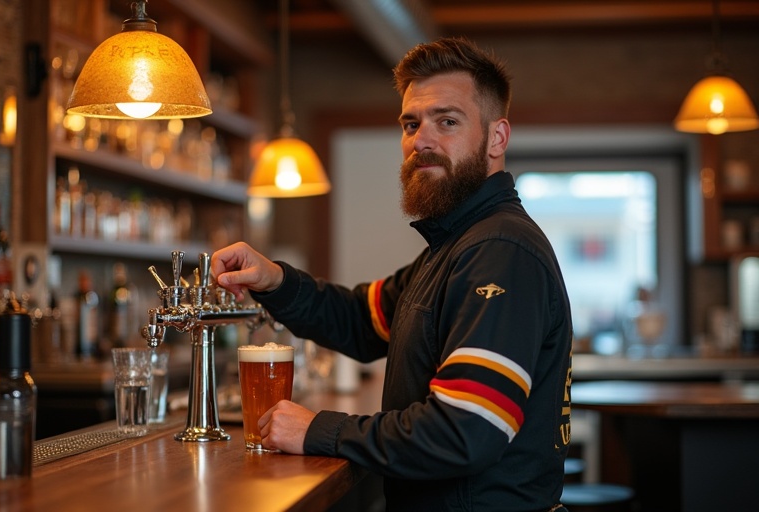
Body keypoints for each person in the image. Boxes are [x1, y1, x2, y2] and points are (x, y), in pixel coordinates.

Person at [212, 37, 573, 512]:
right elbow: (361, 320)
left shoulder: (499, 250)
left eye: (447, 121)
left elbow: (463, 431)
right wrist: (275, 280)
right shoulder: (452, 247)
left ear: (497, 137)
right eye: (410, 123)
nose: (421, 140)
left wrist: (319, 429)